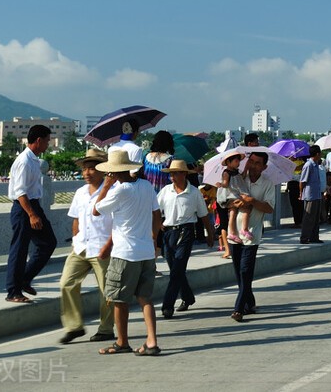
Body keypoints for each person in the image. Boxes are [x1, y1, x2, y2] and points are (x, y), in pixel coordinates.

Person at [91, 150, 162, 356]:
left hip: (125, 253)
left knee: (119, 299)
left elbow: (96, 211)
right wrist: (154, 238)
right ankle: (151, 341)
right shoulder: (146, 186)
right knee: (145, 298)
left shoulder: (119, 191)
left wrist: (105, 187)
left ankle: (122, 342)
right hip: (146, 251)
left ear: (112, 171)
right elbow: (157, 215)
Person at [58, 149, 115, 344]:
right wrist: (75, 240)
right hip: (81, 246)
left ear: (102, 170)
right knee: (66, 283)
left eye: (91, 168)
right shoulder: (80, 193)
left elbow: (119, 222)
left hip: (103, 246)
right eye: (84, 169)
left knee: (106, 290)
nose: (87, 173)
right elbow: (76, 220)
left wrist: (110, 244)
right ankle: (74, 326)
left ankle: (106, 329)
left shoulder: (112, 192)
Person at [155, 159, 216, 319]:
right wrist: (156, 231)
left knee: (177, 269)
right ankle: (188, 297)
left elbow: (203, 215)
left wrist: (210, 235)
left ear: (184, 174)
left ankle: (167, 306)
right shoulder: (165, 191)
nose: (173, 177)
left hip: (186, 231)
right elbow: (155, 212)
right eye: (172, 174)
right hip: (168, 233)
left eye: (176, 173)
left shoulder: (194, 192)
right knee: (175, 269)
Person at [6, 123, 57, 304]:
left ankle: (25, 279)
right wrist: (32, 215)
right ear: (38, 140)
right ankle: (13, 291)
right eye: (47, 141)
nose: (48, 145)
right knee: (19, 249)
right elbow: (20, 192)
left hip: (34, 206)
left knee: (48, 243)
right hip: (24, 208)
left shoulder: (33, 159)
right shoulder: (24, 161)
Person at [227, 151, 276, 322]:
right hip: (234, 233)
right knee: (238, 273)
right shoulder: (238, 179)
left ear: (264, 167)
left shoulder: (268, 184)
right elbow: (224, 199)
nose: (253, 166)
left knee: (245, 271)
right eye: (251, 162)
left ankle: (238, 309)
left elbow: (270, 208)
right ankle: (250, 302)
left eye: (257, 163)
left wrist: (252, 201)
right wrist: (235, 202)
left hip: (252, 234)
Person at [218, 151, 252, 245]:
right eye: (236, 161)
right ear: (228, 162)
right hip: (231, 195)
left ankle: (234, 232)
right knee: (243, 209)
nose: (238, 163)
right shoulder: (226, 173)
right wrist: (220, 184)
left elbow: (242, 177)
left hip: (235, 195)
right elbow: (225, 184)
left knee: (234, 213)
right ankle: (242, 230)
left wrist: (246, 168)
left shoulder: (236, 172)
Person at [300, 145, 324, 244]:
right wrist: (301, 193)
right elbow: (302, 181)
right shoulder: (308, 165)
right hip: (310, 195)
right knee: (308, 217)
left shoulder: (316, 165)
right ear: (317, 154)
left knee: (315, 218)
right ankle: (304, 237)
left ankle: (314, 237)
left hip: (316, 195)